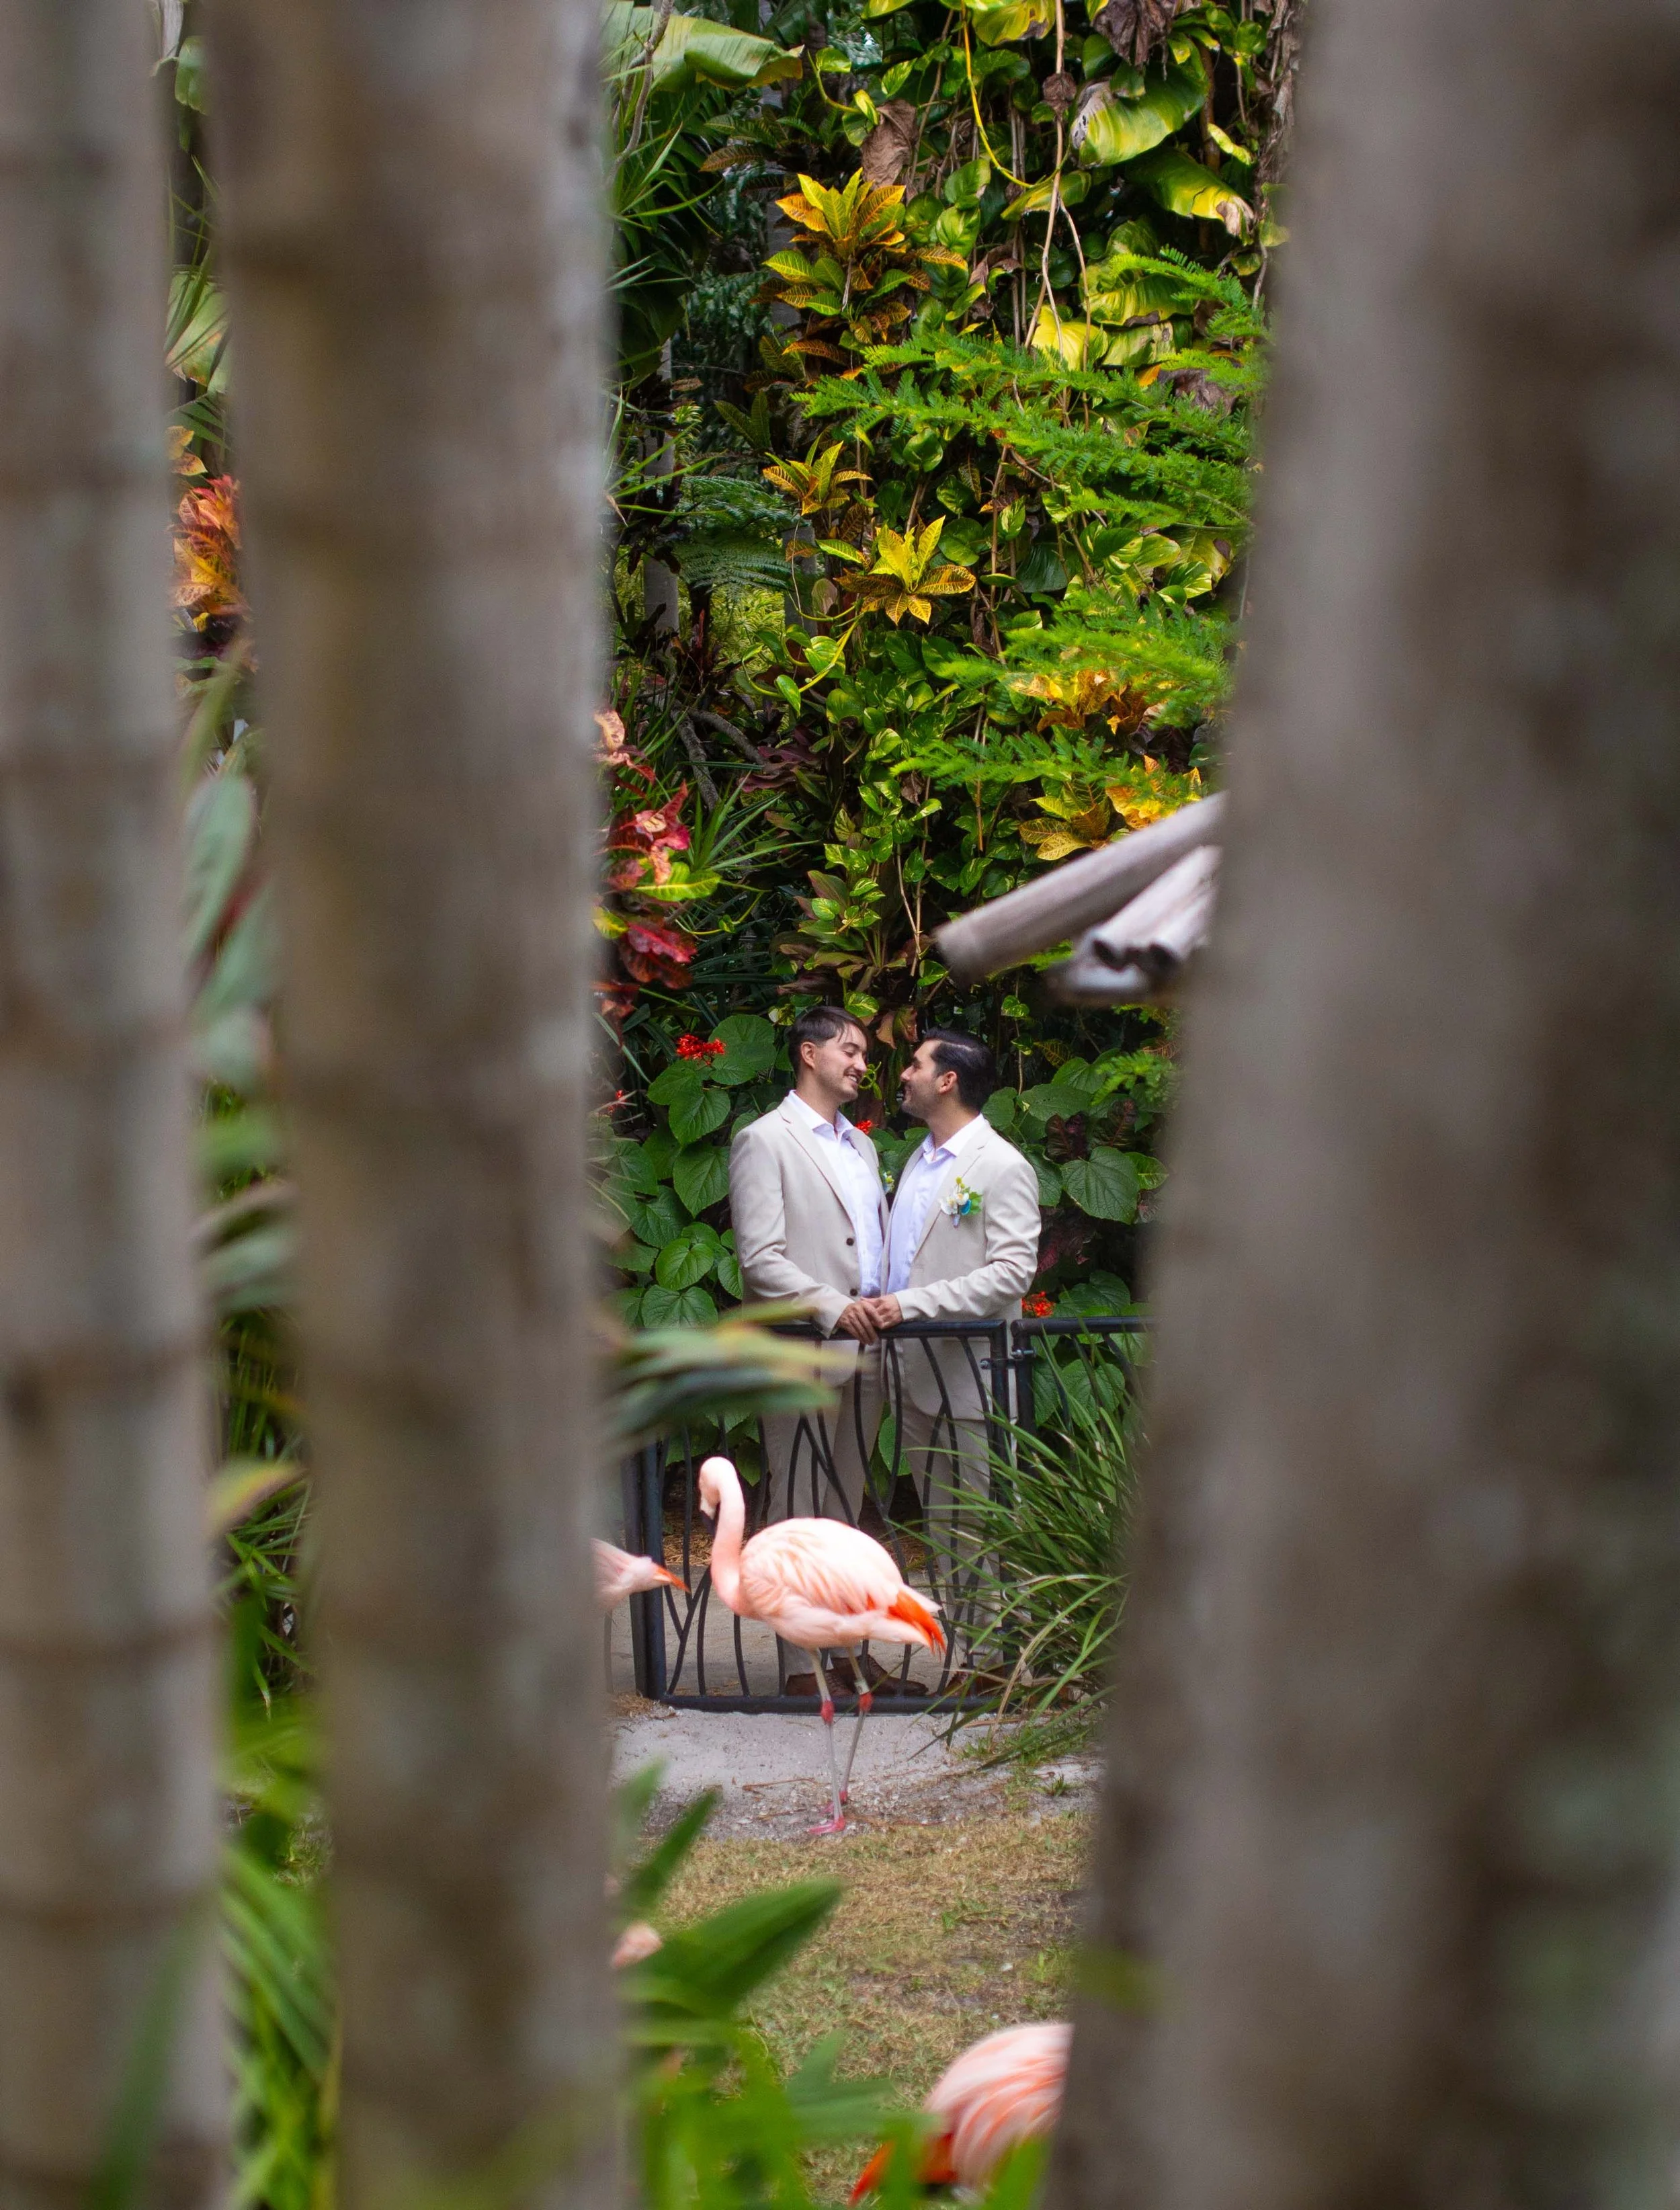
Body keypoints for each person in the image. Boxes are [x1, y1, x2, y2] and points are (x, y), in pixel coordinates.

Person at [864, 1030, 1040, 1643]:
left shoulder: (1001, 1165)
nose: (903, 1074)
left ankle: (1000, 1660)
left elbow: (1014, 1271)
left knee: (984, 1522)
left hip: (971, 1378)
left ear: (948, 1081)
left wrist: (910, 1306)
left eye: (915, 1065)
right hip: (913, 1375)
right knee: (942, 1523)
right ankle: (972, 1653)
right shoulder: (919, 1158)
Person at [728, 1006, 888, 1530]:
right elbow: (759, 1259)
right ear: (809, 1053)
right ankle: (787, 1617)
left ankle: (835, 1617)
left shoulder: (862, 1145)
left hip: (867, 1353)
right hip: (801, 1348)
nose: (862, 1064)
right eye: (851, 1050)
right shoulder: (764, 1139)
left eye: (864, 1054)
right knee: (798, 1513)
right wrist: (836, 1309)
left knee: (846, 1514)